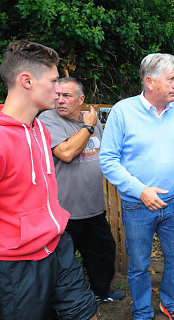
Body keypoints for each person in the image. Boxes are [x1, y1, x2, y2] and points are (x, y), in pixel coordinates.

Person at [0, 40, 98, 319]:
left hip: (57, 246)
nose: (58, 90)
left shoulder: (39, 130)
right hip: (15, 263)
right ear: (26, 81)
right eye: (53, 81)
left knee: (87, 314)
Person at [99, 53, 174, 320]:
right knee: (139, 265)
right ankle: (142, 311)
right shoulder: (123, 111)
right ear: (149, 81)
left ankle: (171, 302)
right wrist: (140, 190)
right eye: (171, 79)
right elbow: (108, 160)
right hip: (137, 205)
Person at [38, 77, 125, 302]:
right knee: (62, 261)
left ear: (81, 99)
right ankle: (59, 303)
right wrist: (87, 126)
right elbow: (66, 153)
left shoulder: (92, 121)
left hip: (93, 205)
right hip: (64, 210)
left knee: (102, 251)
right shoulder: (48, 119)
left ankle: (100, 293)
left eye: (66, 96)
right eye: (57, 96)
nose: (60, 101)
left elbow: (105, 153)